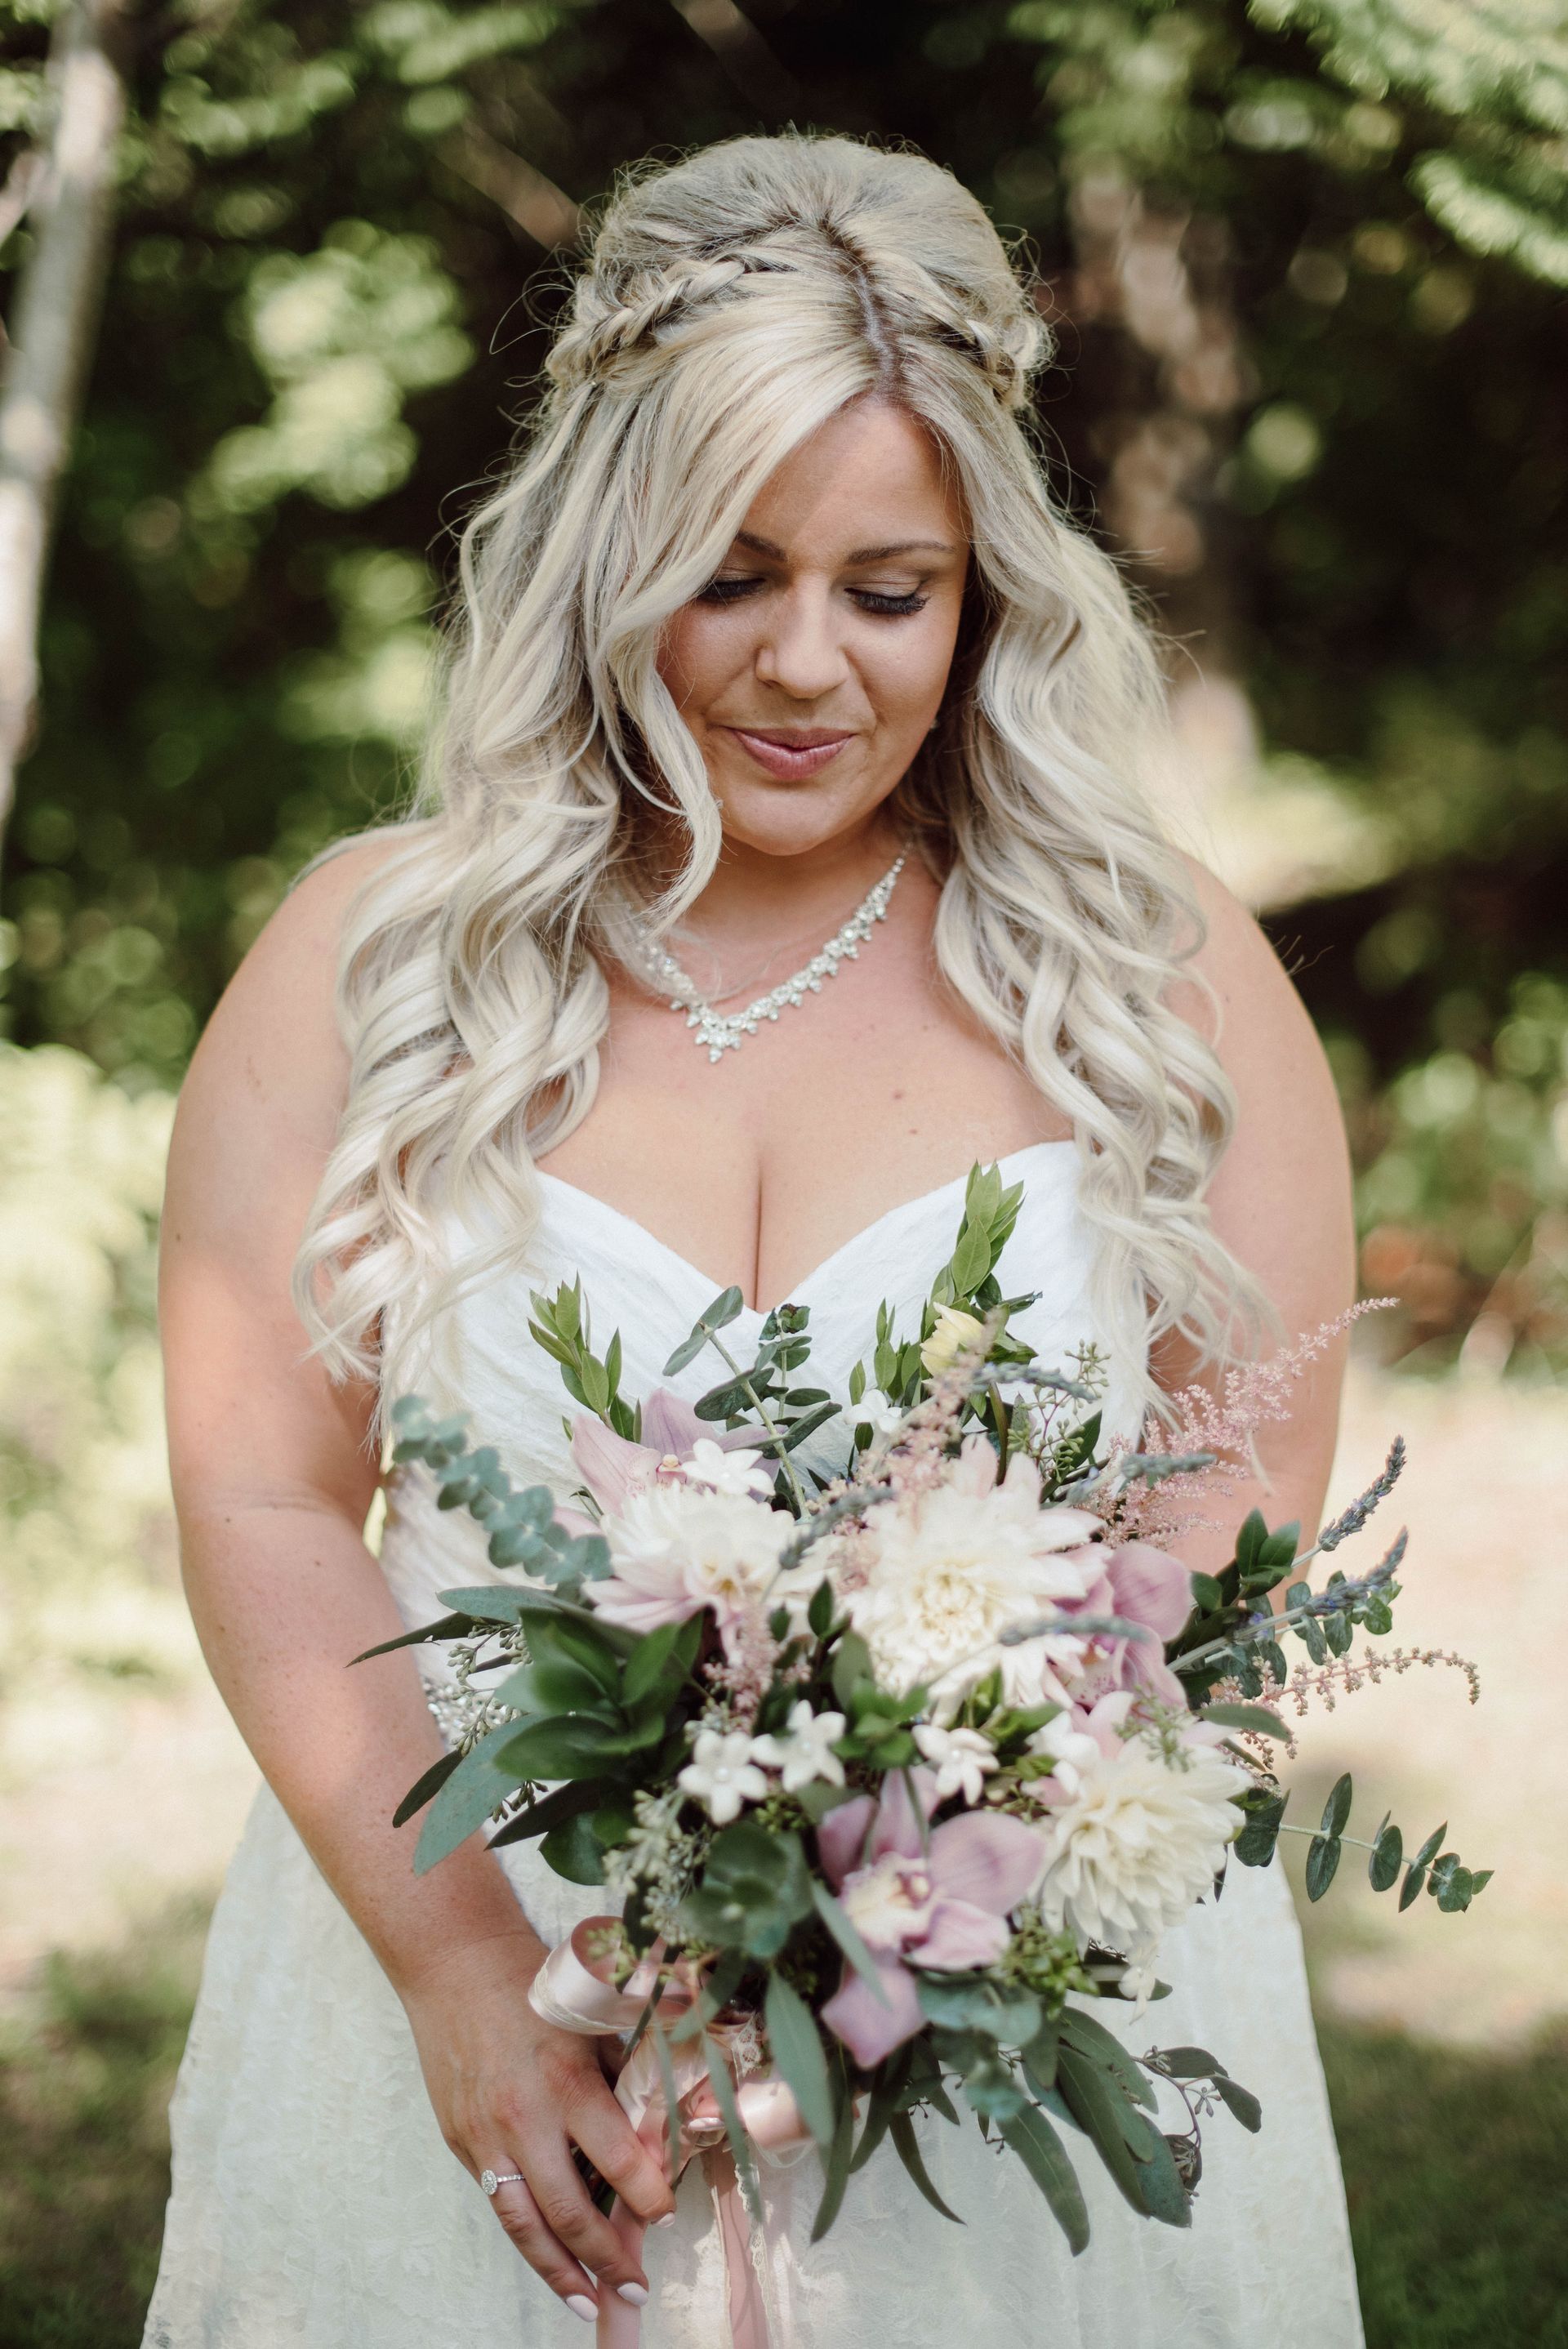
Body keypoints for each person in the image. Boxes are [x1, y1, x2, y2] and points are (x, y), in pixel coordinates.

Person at [142, 132, 1362, 2346]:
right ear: (606, 555)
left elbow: (1241, 1479)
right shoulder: (373, 962)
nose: (809, 664)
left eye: (889, 590)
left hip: (1005, 2056)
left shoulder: (1159, 973)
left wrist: (892, 1933)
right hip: (479, 1990)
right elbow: (263, 1477)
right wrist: (461, 1978)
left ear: (984, 587)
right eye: (730, 572)